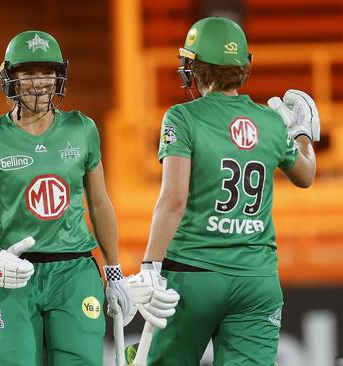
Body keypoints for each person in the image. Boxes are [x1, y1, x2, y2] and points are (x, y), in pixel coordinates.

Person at [132, 16, 318, 365]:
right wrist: (302, 132)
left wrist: (150, 266)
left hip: (193, 274)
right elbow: (306, 174)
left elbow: (173, 200)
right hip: (257, 279)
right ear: (244, 66)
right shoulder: (270, 121)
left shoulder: (182, 118)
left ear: (196, 67)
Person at [0, 30, 136, 366]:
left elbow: (100, 204)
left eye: (47, 72)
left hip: (74, 270)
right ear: (11, 78)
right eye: (29, 73)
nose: (40, 82)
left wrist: (114, 272)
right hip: (15, 273)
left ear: (59, 76)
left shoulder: (82, 128)